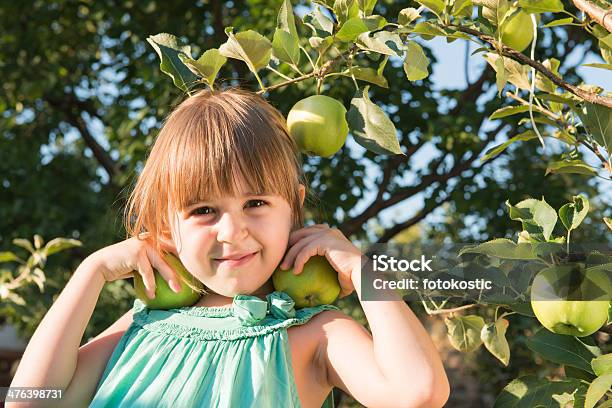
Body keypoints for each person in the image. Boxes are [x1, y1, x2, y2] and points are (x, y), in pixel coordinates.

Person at [9, 88, 450, 408]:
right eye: (203, 210)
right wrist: (91, 272)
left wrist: (362, 270)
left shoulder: (314, 333)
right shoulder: (142, 328)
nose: (231, 232)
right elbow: (30, 401)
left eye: (256, 203)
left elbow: (418, 394)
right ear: (167, 224)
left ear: (294, 206)